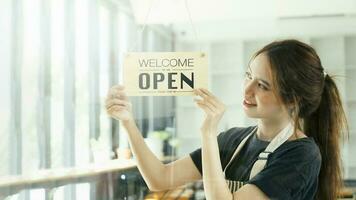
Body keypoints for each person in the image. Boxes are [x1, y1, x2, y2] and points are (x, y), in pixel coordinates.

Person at [105, 39, 348, 200]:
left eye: (262, 85)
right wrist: (128, 122)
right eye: (248, 75)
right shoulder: (233, 140)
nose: (247, 89)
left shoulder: (301, 155)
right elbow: (159, 178)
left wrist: (209, 134)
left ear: (293, 100)